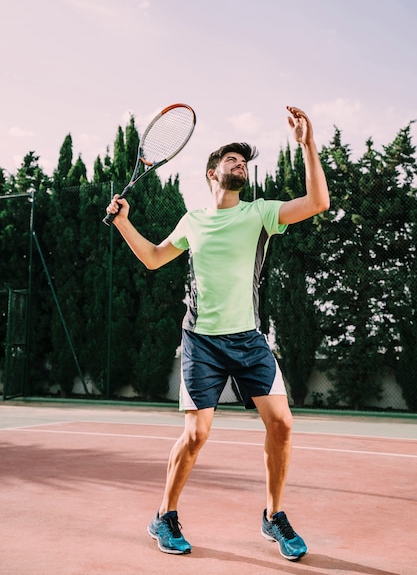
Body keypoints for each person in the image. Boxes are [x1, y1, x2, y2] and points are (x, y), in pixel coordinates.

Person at [106, 105, 330, 562]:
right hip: (202, 341)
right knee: (195, 434)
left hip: (249, 340)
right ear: (212, 172)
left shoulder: (261, 213)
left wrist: (307, 144)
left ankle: (273, 516)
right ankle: (164, 516)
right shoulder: (193, 220)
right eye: (232, 160)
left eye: (245, 162)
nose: (240, 165)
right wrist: (124, 220)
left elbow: (317, 203)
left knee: (283, 425)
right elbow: (152, 258)